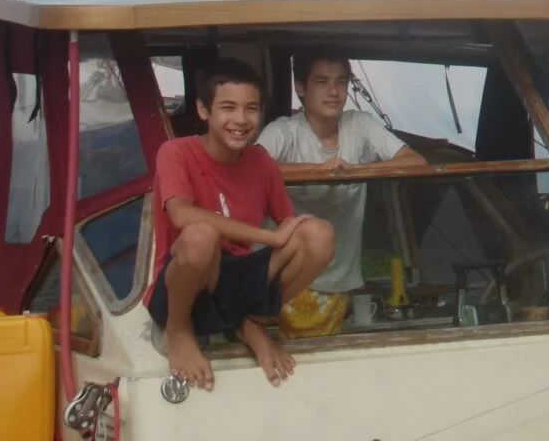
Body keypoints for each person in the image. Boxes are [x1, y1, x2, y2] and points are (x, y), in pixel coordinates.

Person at [146, 58, 334, 391]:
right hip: (184, 286)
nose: (241, 120)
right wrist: (268, 237)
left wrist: (291, 229)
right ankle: (179, 330)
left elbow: (288, 224)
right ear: (203, 110)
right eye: (228, 108)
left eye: (251, 109)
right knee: (201, 236)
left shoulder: (262, 161)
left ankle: (252, 320)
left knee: (319, 235)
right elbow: (182, 216)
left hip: (237, 281)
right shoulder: (175, 152)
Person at [257, 51, 426, 336]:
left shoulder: (359, 125)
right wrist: (322, 170)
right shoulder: (284, 131)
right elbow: (253, 169)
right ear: (301, 88)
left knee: (320, 359)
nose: (333, 91)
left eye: (341, 82)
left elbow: (416, 162)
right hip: (282, 276)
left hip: (337, 278)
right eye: (322, 82)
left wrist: (354, 170)